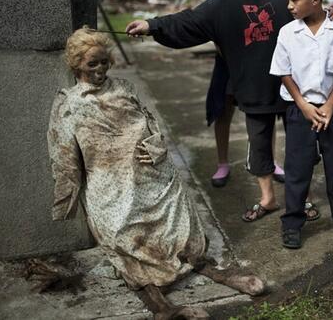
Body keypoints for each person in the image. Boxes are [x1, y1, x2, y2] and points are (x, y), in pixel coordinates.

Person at [48, 28, 265, 320]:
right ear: (76, 65)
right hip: (109, 185)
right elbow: (62, 154)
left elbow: (150, 124)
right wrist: (66, 196)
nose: (100, 69)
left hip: (149, 173)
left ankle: (212, 269)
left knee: (180, 227)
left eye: (103, 62)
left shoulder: (123, 88)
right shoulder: (70, 104)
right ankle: (162, 307)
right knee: (127, 240)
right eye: (92, 64)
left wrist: (155, 147)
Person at [126, 0, 327, 221]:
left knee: (300, 147)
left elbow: (318, 15)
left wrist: (330, 14)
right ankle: (268, 199)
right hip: (253, 86)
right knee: (259, 145)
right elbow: (191, 19)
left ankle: (304, 198)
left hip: (295, 89)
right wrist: (152, 24)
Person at [270, 0, 333, 249]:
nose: (289, 6)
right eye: (289, 0)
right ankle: (293, 222)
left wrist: (331, 105)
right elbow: (284, 72)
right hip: (300, 111)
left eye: (294, 0)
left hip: (331, 109)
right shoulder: (287, 32)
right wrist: (304, 106)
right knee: (297, 169)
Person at [206, 0, 286, 188]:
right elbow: (210, 27)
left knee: (265, 109)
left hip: (256, 59)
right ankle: (222, 163)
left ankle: (269, 161)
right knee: (223, 109)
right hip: (228, 60)